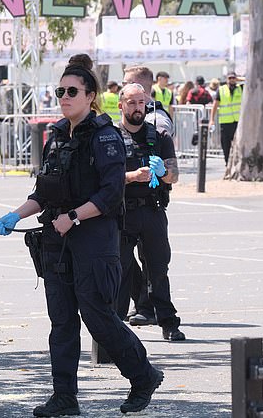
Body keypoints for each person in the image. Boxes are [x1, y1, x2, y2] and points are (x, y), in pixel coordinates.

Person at [0, 54, 163, 416]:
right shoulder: (56, 137)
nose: (64, 96)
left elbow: (111, 193)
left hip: (94, 242)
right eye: (60, 90)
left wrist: (73, 216)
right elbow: (43, 193)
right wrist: (13, 215)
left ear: (90, 96)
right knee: (62, 322)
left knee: (98, 317)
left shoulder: (104, 137)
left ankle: (142, 374)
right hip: (57, 241)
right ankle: (64, 397)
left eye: (72, 91)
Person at [114, 83, 184, 341]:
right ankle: (114, 326)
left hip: (152, 211)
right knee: (118, 270)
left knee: (158, 268)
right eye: (131, 103)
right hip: (122, 212)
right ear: (121, 105)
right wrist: (131, 176)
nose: (137, 108)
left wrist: (162, 173)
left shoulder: (158, 137)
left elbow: (174, 176)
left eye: (141, 102)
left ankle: (168, 322)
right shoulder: (111, 137)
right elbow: (102, 179)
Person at [123, 65, 174, 136]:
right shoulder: (138, 114)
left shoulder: (157, 121)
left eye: (124, 84)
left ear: (136, 86)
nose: (122, 88)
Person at [208, 71, 243, 165]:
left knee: (238, 144)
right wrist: (211, 120)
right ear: (226, 79)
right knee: (225, 144)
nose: (232, 80)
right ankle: (227, 162)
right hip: (225, 122)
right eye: (230, 78)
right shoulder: (221, 90)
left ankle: (237, 162)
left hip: (237, 122)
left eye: (233, 78)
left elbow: (251, 82)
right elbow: (215, 105)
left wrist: (240, 79)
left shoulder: (241, 88)